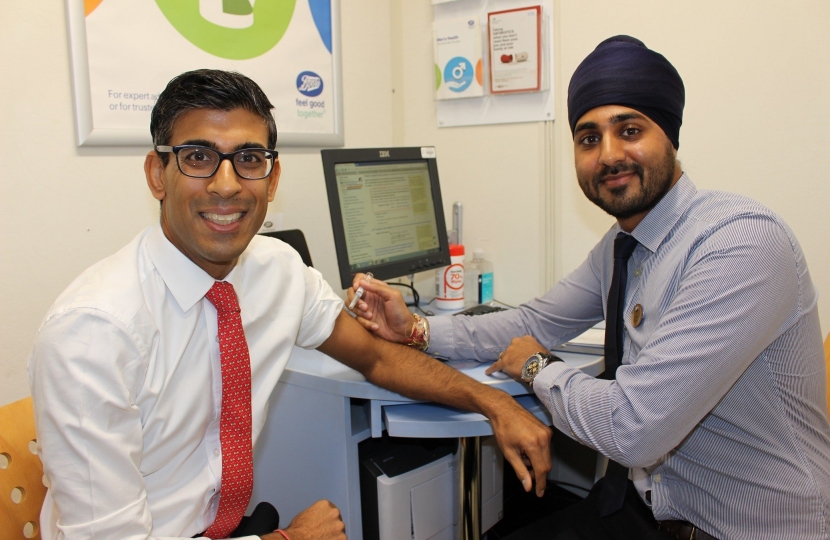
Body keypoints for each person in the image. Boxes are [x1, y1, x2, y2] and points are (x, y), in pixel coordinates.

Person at [27, 69, 553, 540]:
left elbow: (374, 357)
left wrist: (494, 402)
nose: (227, 184)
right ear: (155, 173)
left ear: (273, 178)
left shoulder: (276, 269)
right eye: (198, 157)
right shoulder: (92, 332)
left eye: (249, 159)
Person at [349, 36, 830, 540]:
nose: (609, 154)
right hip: (652, 509)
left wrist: (538, 367)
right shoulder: (622, 245)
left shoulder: (738, 244)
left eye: (629, 129)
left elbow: (633, 430)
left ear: (668, 134)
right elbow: (534, 321)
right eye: (588, 138)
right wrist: (418, 329)